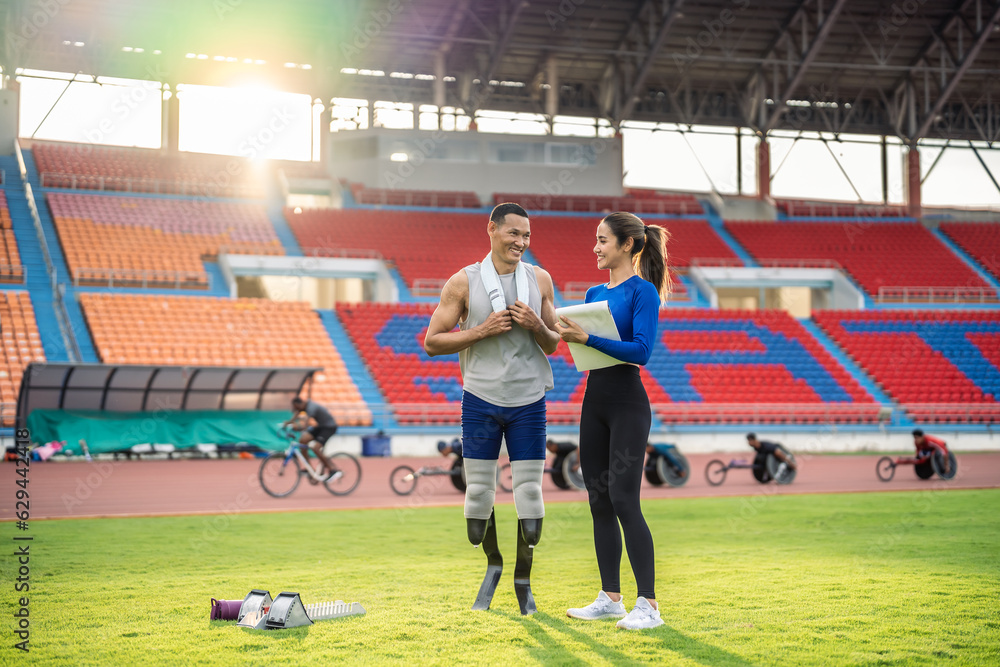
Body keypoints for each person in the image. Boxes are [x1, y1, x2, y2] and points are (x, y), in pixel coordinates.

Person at [423, 202, 561, 615]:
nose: (520, 242)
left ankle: (523, 580)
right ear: (492, 229)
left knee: (530, 495)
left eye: (527, 236)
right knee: (478, 496)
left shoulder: (539, 279)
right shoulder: (462, 282)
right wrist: (481, 330)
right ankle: (493, 565)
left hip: (529, 401)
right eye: (513, 233)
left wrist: (537, 325)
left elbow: (554, 342)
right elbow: (432, 341)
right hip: (479, 400)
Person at [556, 211, 669, 631]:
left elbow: (641, 351)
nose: (595, 247)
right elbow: (588, 350)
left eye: (602, 240)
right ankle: (610, 598)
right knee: (598, 500)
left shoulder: (643, 292)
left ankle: (650, 606)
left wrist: (586, 338)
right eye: (595, 239)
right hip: (594, 402)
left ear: (626, 245)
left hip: (628, 404)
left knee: (624, 500)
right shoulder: (591, 292)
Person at [284, 397, 340, 481]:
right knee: (303, 441)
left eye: (297, 407)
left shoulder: (311, 407)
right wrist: (288, 423)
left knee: (316, 448)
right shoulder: (303, 406)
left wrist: (296, 427)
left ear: (300, 404)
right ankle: (309, 468)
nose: (298, 410)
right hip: (321, 426)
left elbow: (304, 426)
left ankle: (333, 470)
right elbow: (296, 415)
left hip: (329, 427)